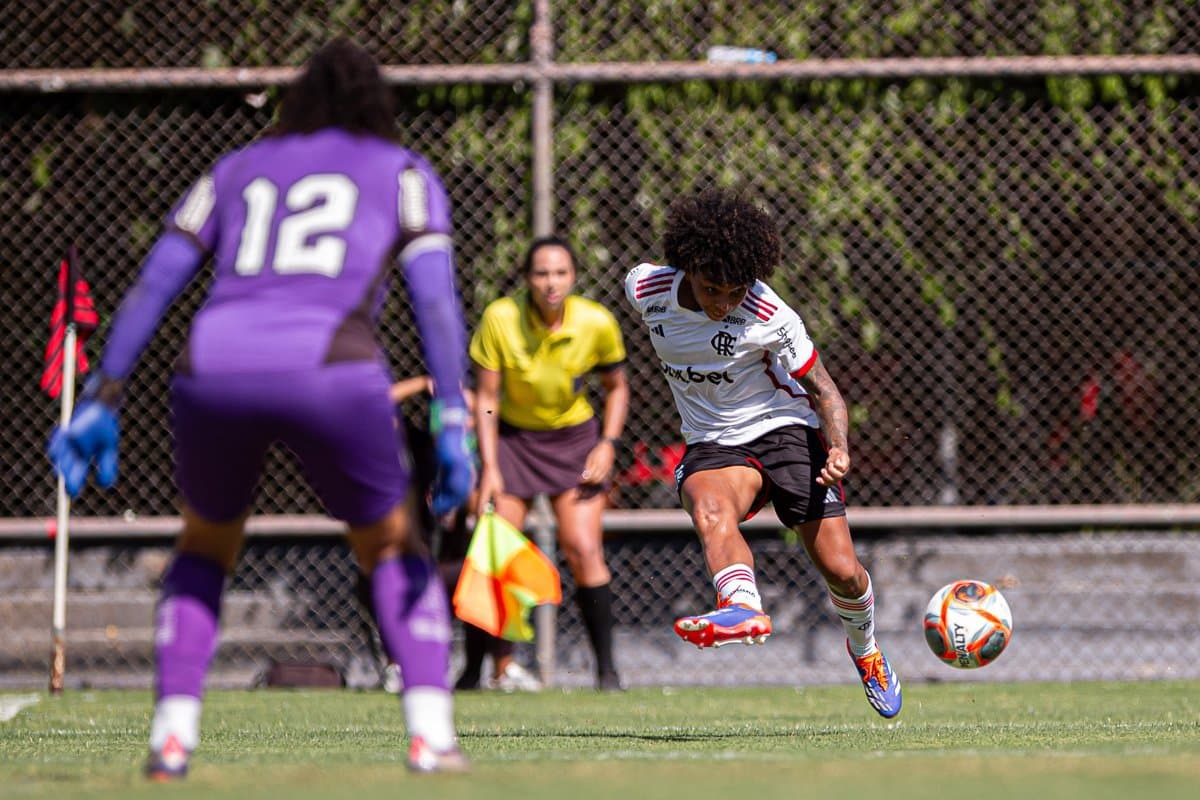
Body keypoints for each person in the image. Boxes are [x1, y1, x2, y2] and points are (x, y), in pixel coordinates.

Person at [46, 38, 475, 777]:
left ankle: (173, 735)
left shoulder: (236, 168)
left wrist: (104, 392)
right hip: (332, 367)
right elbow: (434, 301)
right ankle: (431, 735)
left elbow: (157, 280)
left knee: (206, 545)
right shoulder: (405, 173)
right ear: (380, 105)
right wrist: (456, 416)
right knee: (390, 546)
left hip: (214, 364)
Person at [623, 187, 902, 718]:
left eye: (735, 292)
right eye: (711, 290)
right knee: (709, 508)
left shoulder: (771, 313)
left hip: (786, 431)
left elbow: (823, 389)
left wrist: (839, 447)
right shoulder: (645, 288)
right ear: (687, 268)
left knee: (842, 571)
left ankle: (865, 651)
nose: (724, 303)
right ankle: (742, 607)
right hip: (713, 443)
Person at [470, 235, 629, 691]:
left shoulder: (596, 322)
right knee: (495, 549)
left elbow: (616, 388)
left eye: (560, 272)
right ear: (526, 279)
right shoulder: (500, 317)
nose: (550, 282)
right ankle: (480, 670)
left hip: (574, 440)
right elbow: (485, 399)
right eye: (540, 273)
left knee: (581, 548)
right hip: (514, 440)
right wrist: (491, 466)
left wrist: (608, 445)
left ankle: (607, 672)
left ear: (574, 277)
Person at [388, 376, 542, 693]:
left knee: (489, 579)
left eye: (470, 416)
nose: (462, 424)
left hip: (466, 563)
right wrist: (422, 384)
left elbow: (479, 509)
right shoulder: (420, 448)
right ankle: (406, 668)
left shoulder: (488, 459)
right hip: (426, 561)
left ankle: (491, 670)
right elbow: (380, 405)